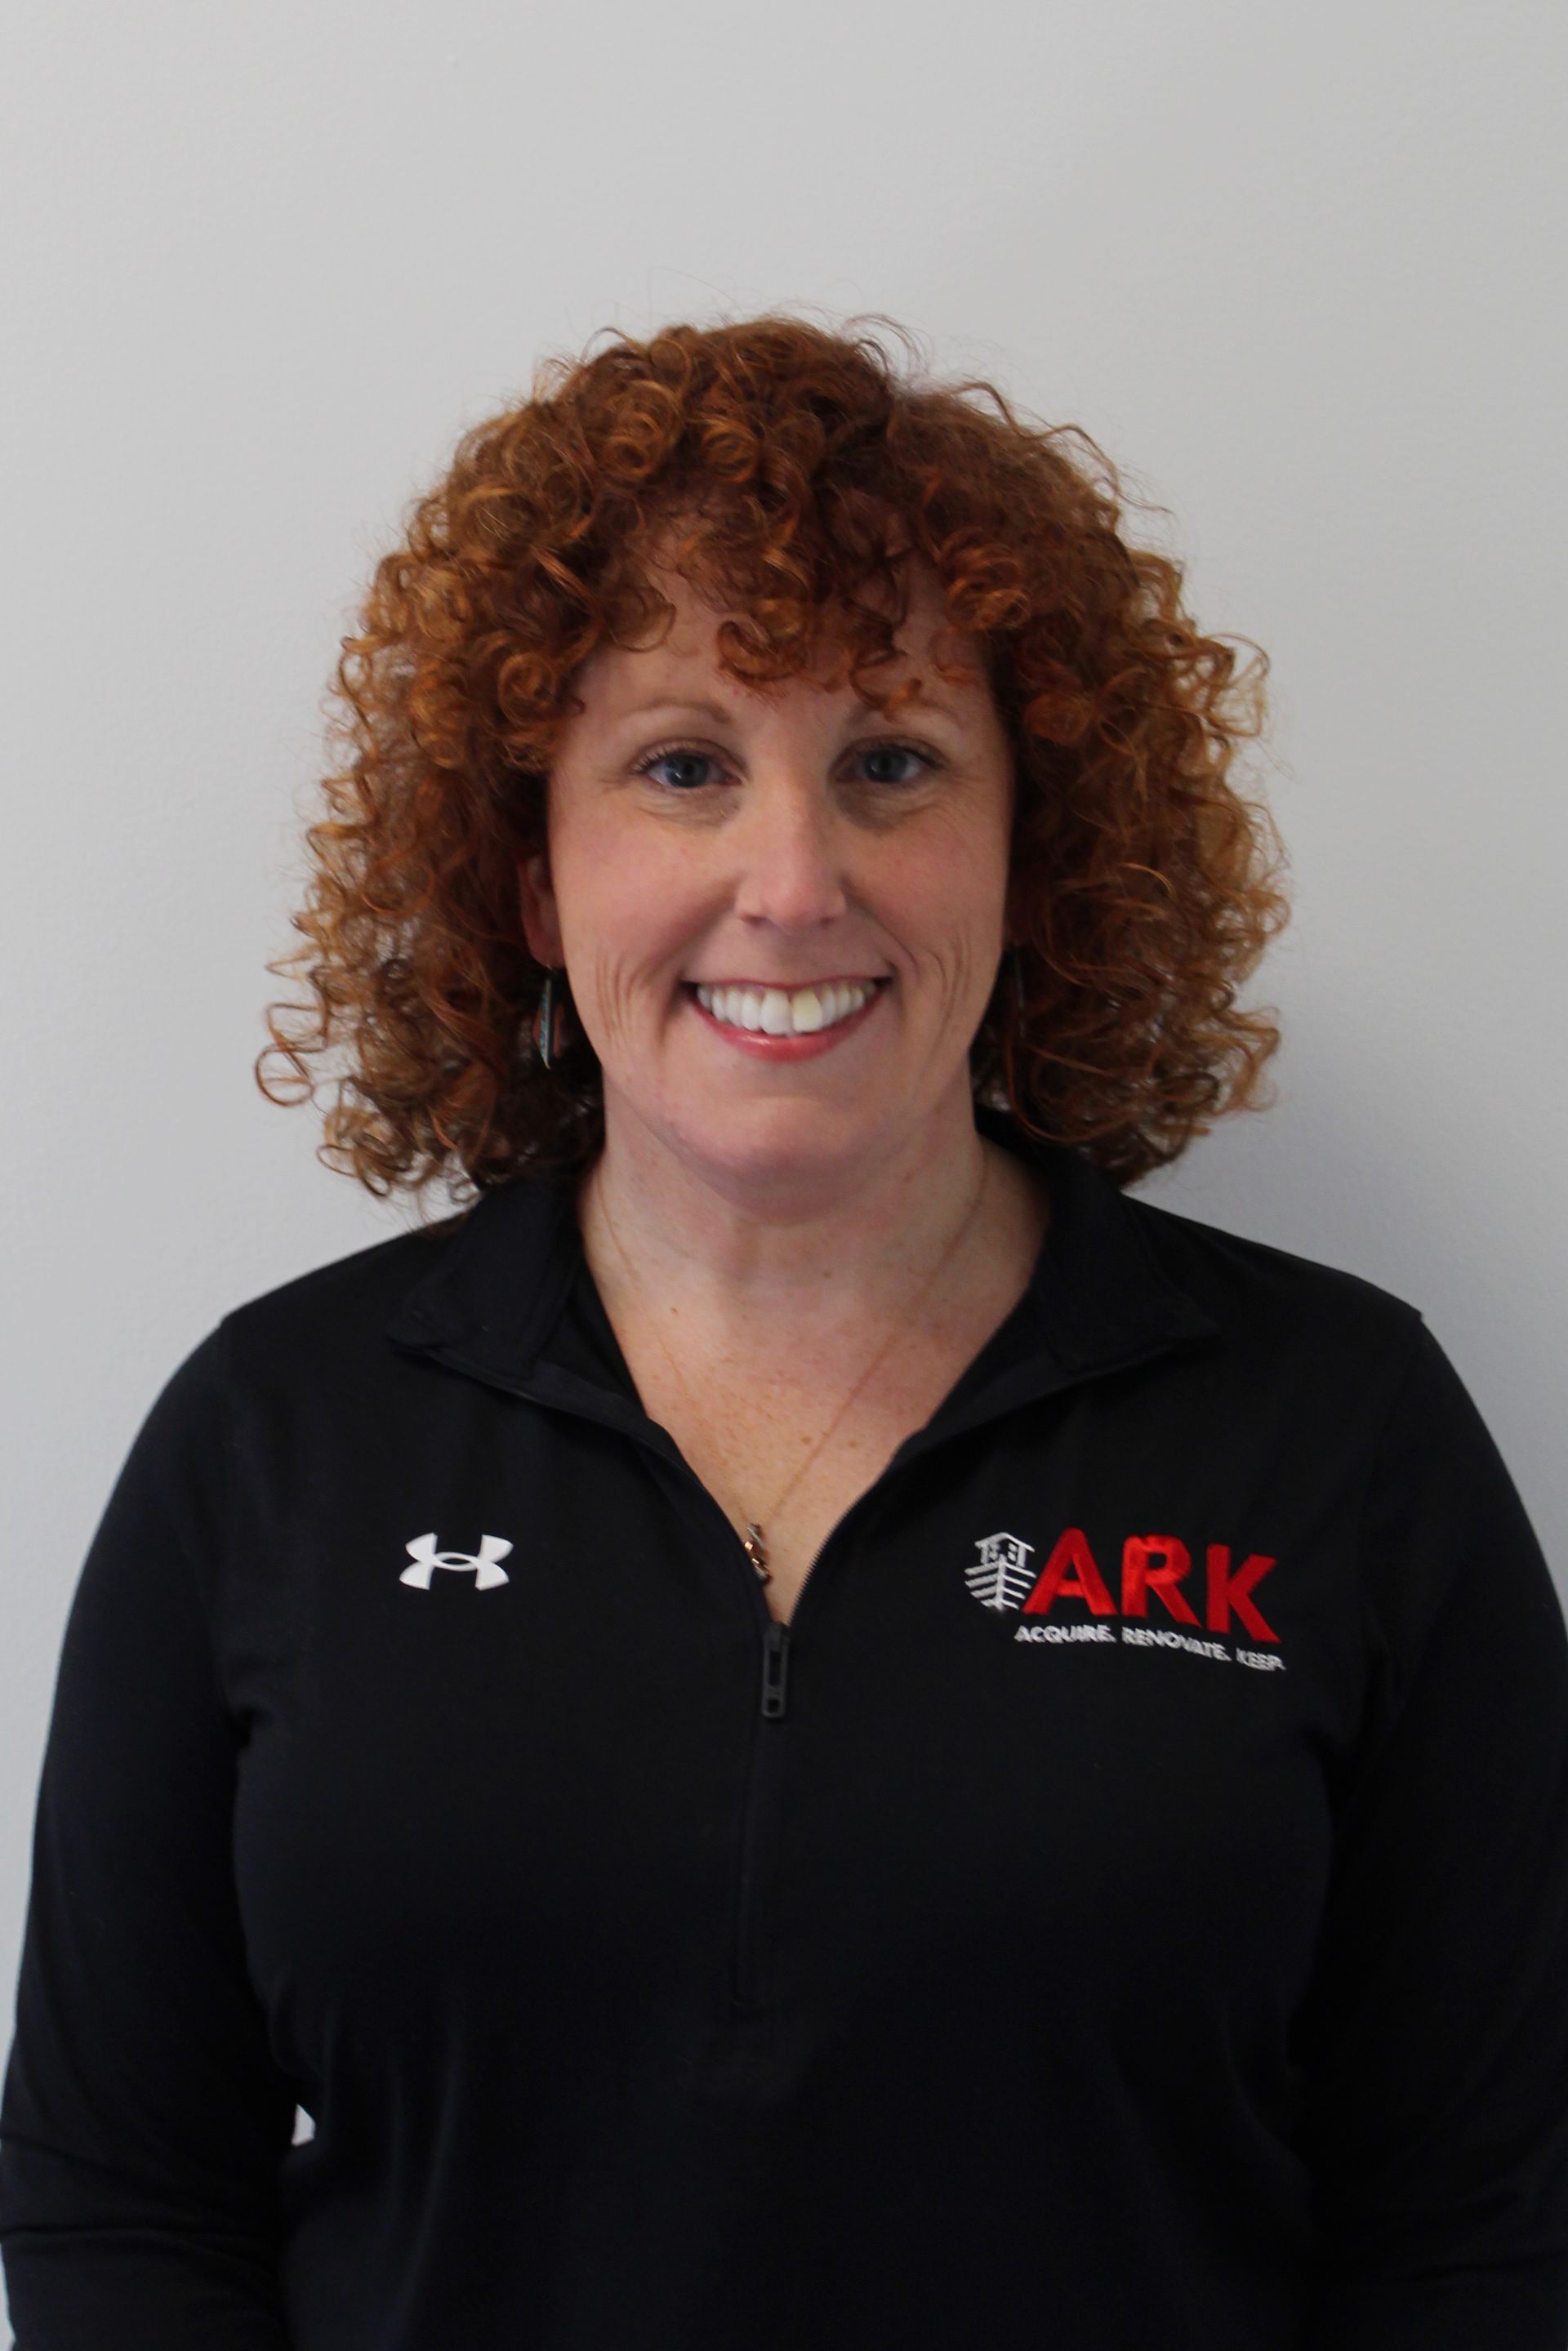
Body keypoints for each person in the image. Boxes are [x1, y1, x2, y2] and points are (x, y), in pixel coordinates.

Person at [2, 312, 1566, 2351]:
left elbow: (1495, 2218)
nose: (795, 879)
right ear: (534, 878)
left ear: (1032, 850)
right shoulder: (279, 1439)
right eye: (681, 767)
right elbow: (122, 2193)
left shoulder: (1334, 1429)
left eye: (892, 763)